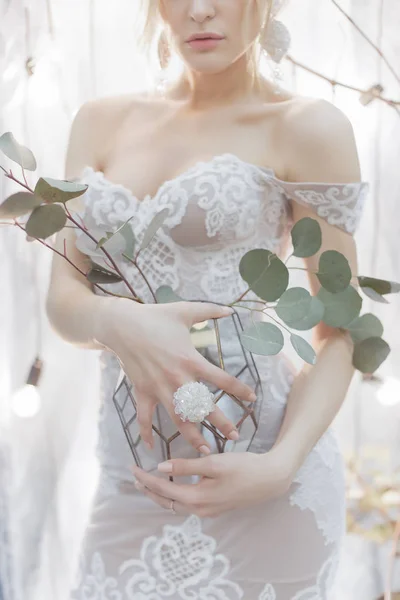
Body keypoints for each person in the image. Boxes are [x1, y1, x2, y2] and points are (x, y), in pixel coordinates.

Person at [45, 0, 369, 597]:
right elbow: (64, 299)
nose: (200, 10)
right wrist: (117, 319)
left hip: (264, 477)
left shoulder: (306, 125)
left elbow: (340, 329)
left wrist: (279, 466)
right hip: (133, 481)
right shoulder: (99, 121)